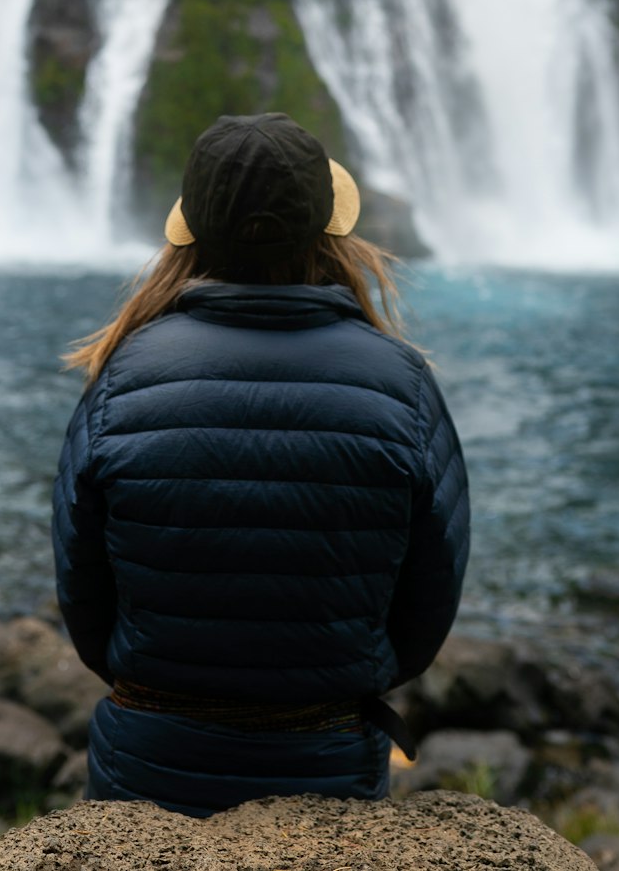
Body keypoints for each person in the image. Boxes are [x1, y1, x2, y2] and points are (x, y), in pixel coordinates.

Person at [52, 112, 469, 817]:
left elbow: (84, 596)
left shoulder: (121, 377)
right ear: (328, 230)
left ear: (188, 230)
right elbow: (429, 603)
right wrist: (324, 683)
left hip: (147, 766)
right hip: (329, 766)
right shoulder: (403, 384)